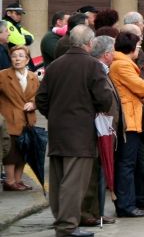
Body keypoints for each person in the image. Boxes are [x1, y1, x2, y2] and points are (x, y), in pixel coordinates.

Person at [36, 25, 114, 237]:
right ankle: (67, 226)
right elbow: (104, 98)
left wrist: (55, 115)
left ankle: (63, 221)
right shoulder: (93, 66)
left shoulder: (54, 66)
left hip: (57, 130)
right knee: (73, 182)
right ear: (90, 43)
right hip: (80, 132)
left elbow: (41, 99)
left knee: (59, 178)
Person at [80, 36, 121, 227]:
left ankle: (96, 212)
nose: (115, 55)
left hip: (105, 128)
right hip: (95, 128)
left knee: (99, 172)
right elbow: (101, 98)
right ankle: (87, 213)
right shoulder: (95, 70)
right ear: (106, 54)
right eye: (113, 51)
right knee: (91, 173)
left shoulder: (104, 69)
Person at [109, 32, 144, 218]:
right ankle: (126, 205)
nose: (139, 49)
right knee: (126, 164)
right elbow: (142, 87)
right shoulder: (122, 64)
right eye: (138, 46)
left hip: (131, 118)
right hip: (128, 120)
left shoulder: (122, 63)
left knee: (128, 163)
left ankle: (129, 202)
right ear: (131, 47)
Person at [0, 46, 39, 191]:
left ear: (27, 59)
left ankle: (18, 180)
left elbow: (39, 95)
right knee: (11, 152)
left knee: (25, 151)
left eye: (21, 56)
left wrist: (34, 103)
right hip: (9, 119)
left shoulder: (33, 76)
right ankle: (9, 181)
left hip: (27, 119)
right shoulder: (3, 75)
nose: (17, 59)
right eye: (14, 56)